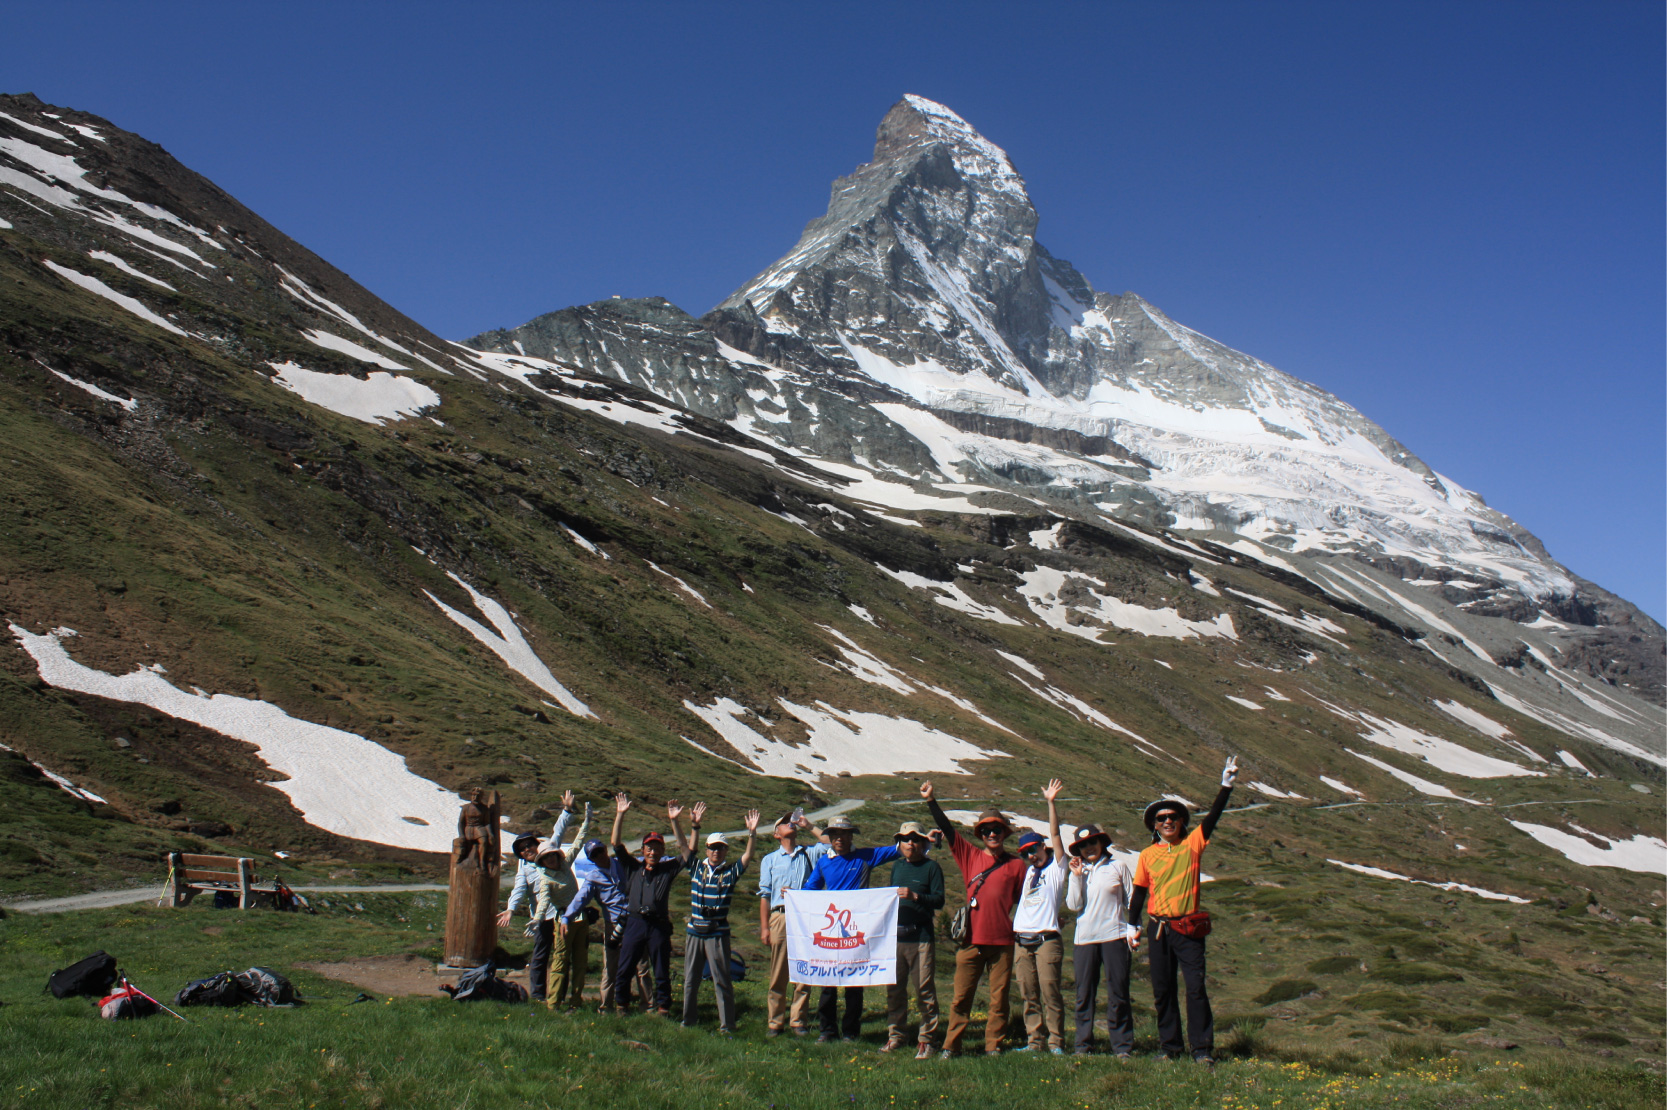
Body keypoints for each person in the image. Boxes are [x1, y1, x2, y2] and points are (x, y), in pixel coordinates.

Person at [1129, 755, 1239, 1065]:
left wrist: (1226, 785)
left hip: (1188, 929)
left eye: (1173, 817)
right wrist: (1131, 924)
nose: (1167, 821)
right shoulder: (1147, 854)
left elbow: (1213, 818)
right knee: (1163, 991)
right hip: (1158, 928)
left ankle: (1202, 1051)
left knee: (1195, 989)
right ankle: (1170, 1048)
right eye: (1161, 818)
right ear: (1154, 825)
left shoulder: (1193, 844)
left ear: (1181, 822)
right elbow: (1139, 892)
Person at [919, 780, 1027, 1058]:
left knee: (998, 999)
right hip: (970, 941)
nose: (993, 834)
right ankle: (951, 1046)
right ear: (981, 834)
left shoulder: (1017, 865)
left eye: (997, 830)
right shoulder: (970, 855)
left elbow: (1020, 900)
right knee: (961, 998)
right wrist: (931, 800)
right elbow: (947, 830)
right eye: (988, 830)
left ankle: (994, 1045)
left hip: (1002, 942)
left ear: (1005, 833)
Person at [802, 814, 900, 1043]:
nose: (840, 838)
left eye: (844, 833)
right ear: (830, 837)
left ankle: (851, 1032)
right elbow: (811, 888)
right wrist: (792, 895)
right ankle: (827, 1031)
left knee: (854, 985)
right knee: (828, 983)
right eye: (835, 834)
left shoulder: (865, 856)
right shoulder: (824, 862)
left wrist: (924, 838)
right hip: (831, 935)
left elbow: (897, 849)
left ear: (850, 836)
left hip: (856, 933)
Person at [1063, 803, 1137, 1057]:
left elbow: (1132, 901)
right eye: (1084, 846)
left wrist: (1132, 929)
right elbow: (1073, 905)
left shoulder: (1118, 867)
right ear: (1079, 850)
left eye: (1093, 842)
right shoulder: (1079, 871)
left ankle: (1122, 1047)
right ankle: (1083, 1045)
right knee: (1084, 993)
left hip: (1114, 936)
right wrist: (1075, 877)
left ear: (1101, 843)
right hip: (1084, 939)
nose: (1089, 848)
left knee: (1118, 992)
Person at [679, 804, 760, 1033]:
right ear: (706, 850)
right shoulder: (695, 868)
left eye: (721, 849)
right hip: (694, 931)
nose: (716, 852)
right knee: (690, 980)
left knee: (722, 981)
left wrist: (751, 833)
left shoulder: (730, 872)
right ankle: (688, 1021)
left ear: (725, 851)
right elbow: (683, 847)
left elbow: (748, 855)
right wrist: (685, 823)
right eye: (713, 848)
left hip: (718, 933)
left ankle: (727, 1026)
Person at [609, 792, 689, 1017]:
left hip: (658, 925)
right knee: (625, 967)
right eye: (649, 848)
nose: (653, 852)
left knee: (661, 969)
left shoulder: (668, 869)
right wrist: (620, 814)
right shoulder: (633, 867)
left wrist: (675, 821)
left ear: (663, 851)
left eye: (657, 848)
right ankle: (621, 1006)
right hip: (634, 923)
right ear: (643, 851)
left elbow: (687, 852)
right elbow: (615, 843)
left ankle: (663, 1008)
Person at [497, 791, 577, 1004]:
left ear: (535, 844)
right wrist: (511, 908)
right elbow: (519, 890)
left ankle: (560, 993)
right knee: (540, 955)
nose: (526, 851)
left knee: (562, 955)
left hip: (562, 914)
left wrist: (567, 811)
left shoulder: (549, 851)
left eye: (528, 846)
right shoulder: (524, 870)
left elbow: (558, 832)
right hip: (541, 918)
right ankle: (539, 995)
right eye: (521, 850)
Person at [757, 811, 830, 1036]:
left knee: (803, 969)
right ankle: (775, 1021)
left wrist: (808, 825)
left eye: (793, 821)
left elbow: (828, 844)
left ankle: (798, 1020)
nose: (791, 823)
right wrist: (765, 927)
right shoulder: (769, 859)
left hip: (805, 917)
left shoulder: (809, 853)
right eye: (784, 823)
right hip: (780, 915)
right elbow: (764, 895)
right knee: (778, 970)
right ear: (776, 834)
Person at [1011, 779, 1069, 1055]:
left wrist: (1051, 803)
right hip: (1022, 939)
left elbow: (1057, 836)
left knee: (1050, 991)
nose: (1031, 855)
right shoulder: (1028, 873)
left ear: (1043, 847)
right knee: (1028, 993)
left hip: (1047, 938)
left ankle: (1056, 1041)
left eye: (1034, 849)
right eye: (1025, 853)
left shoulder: (1057, 869)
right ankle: (1035, 1041)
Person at [563, 833, 651, 1013]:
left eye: (600, 851)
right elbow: (581, 899)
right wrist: (567, 917)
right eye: (594, 854)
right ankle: (606, 1006)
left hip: (635, 922)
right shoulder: (593, 877)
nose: (599, 855)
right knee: (610, 967)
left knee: (641, 966)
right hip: (613, 924)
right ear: (591, 859)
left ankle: (648, 1006)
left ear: (606, 850)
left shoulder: (622, 865)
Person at [884, 821, 944, 1059]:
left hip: (921, 938)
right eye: (905, 839)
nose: (910, 843)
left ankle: (927, 1040)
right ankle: (896, 1036)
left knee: (924, 991)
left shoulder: (932, 868)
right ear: (900, 843)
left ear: (922, 843)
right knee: (895, 990)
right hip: (896, 938)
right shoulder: (897, 867)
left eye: (915, 839)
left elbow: (939, 900)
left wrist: (916, 896)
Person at [533, 803, 591, 1009]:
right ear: (542, 861)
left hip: (581, 919)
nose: (550, 859)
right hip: (564, 921)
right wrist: (537, 919)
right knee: (560, 961)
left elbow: (578, 843)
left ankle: (575, 1001)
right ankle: (553, 1002)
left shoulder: (565, 864)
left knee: (580, 962)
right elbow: (544, 901)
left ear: (557, 855)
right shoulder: (545, 878)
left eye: (551, 855)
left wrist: (586, 821)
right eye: (546, 857)